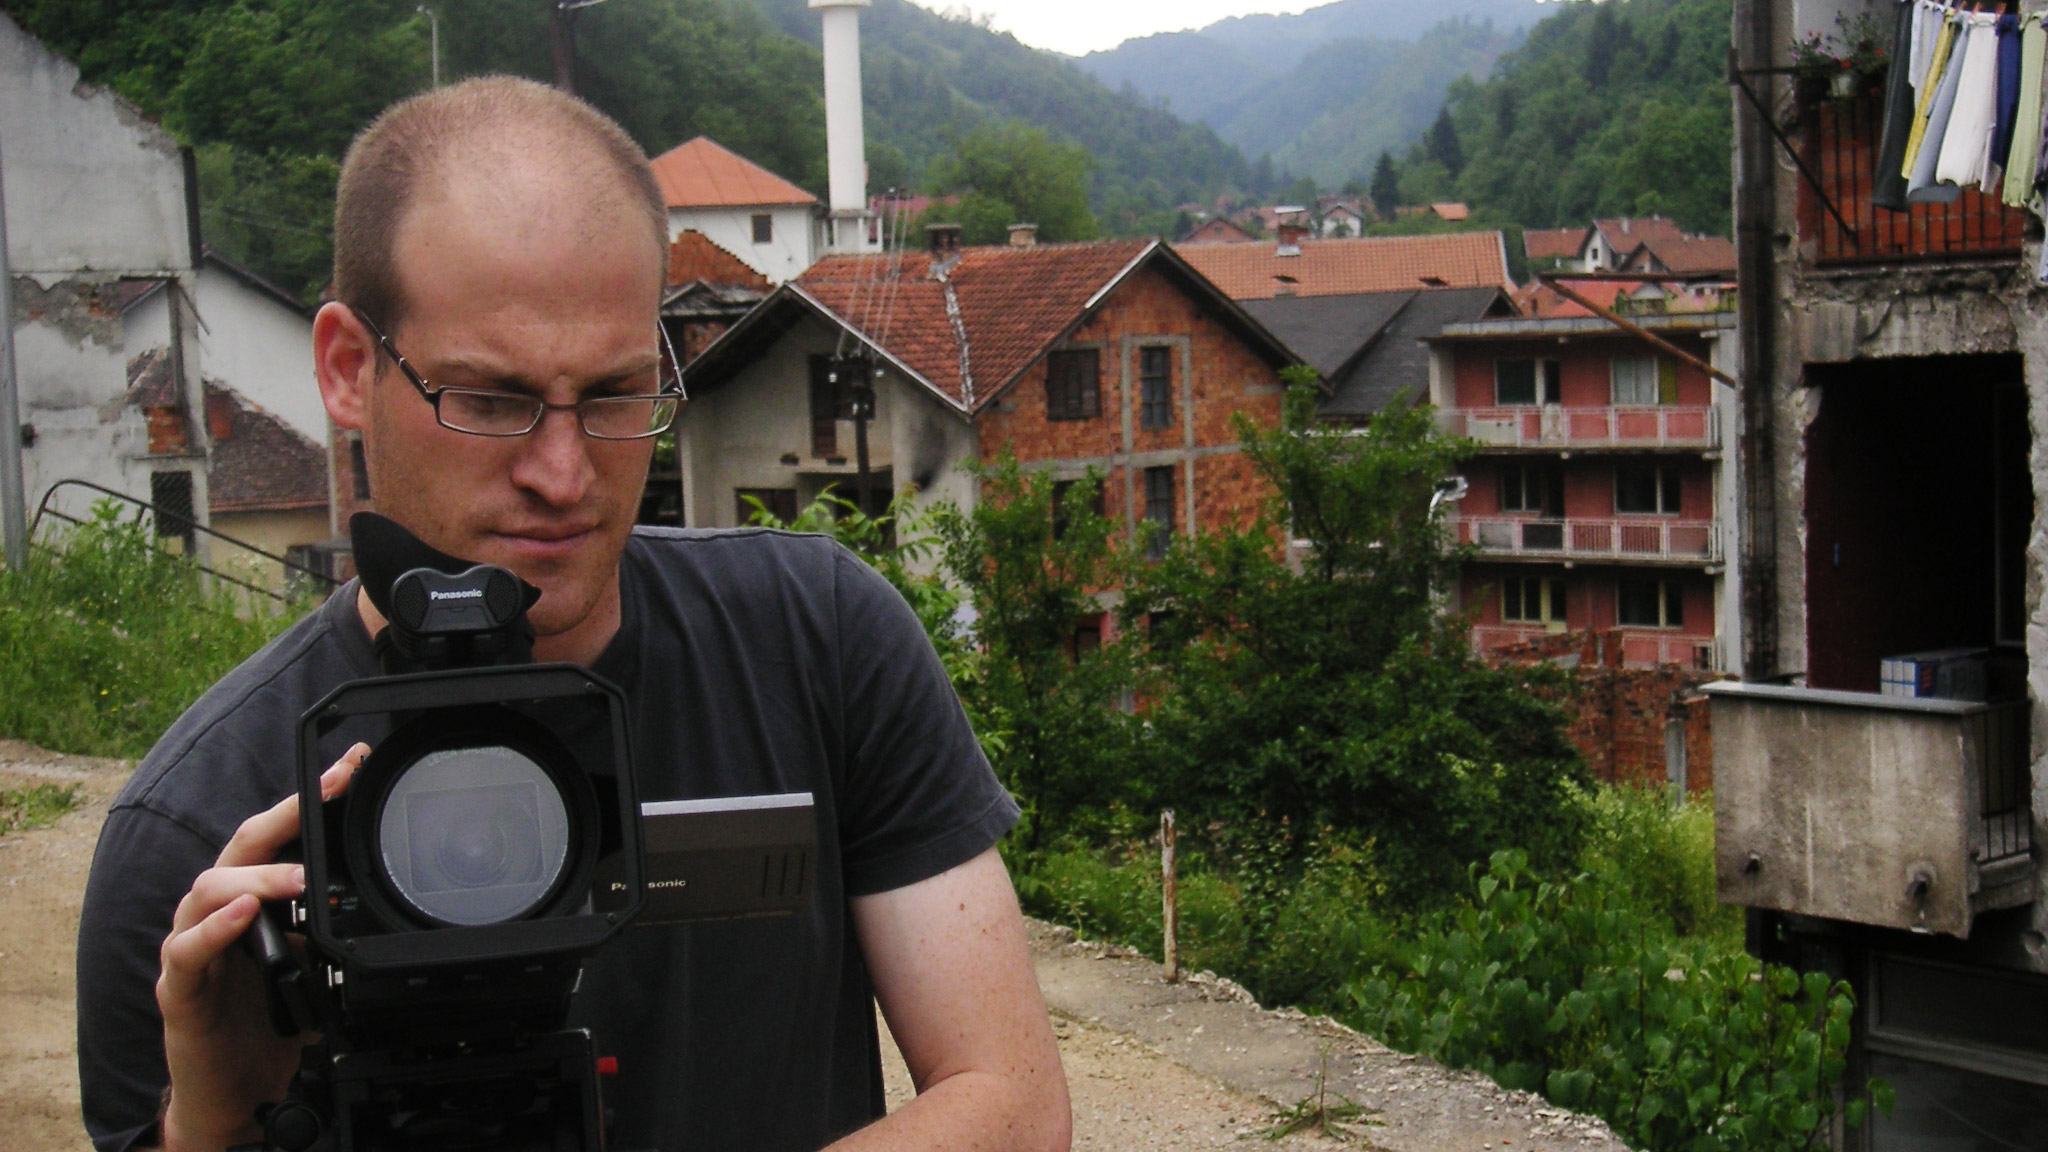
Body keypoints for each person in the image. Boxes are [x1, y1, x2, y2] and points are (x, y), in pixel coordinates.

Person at [74, 76, 1071, 1152]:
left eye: (612, 396)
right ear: (348, 370)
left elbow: (1010, 1107)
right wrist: (216, 1124)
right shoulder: (188, 848)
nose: (565, 474)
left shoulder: (817, 642)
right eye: (491, 400)